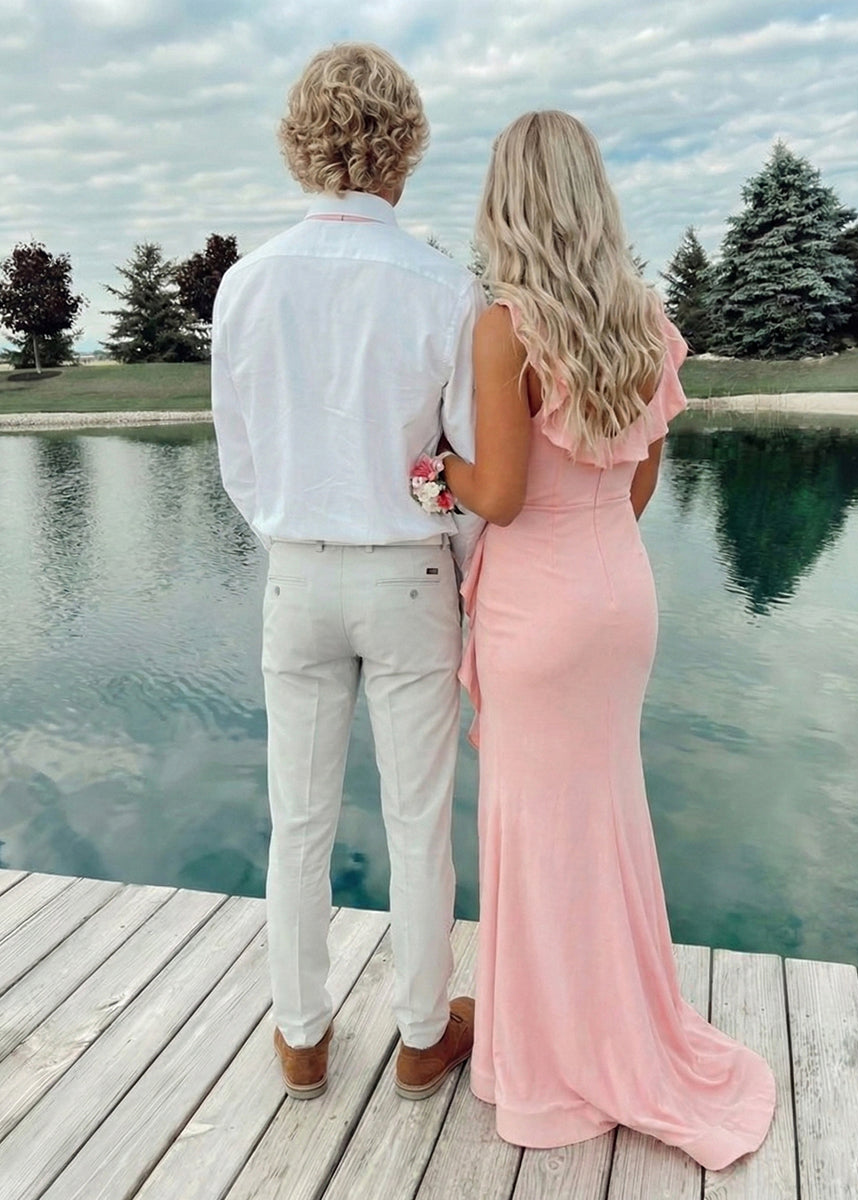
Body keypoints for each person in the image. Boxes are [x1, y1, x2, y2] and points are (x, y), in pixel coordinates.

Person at [437, 111, 776, 1169]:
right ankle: (616, 1024)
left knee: (537, 833)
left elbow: (497, 494)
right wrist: (588, 551)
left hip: (538, 606)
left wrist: (434, 467)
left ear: (508, 201)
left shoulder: (507, 327)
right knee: (604, 819)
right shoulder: (645, 319)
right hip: (619, 593)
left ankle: (553, 1061)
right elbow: (639, 478)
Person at [211, 43, 484, 1102]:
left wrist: (293, 533)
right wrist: (464, 575)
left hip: (297, 575)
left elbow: (239, 462)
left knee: (298, 819)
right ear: (404, 145)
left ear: (300, 142)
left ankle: (301, 1035)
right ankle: (420, 1034)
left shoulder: (247, 285)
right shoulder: (444, 285)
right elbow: (463, 467)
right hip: (410, 575)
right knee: (419, 822)